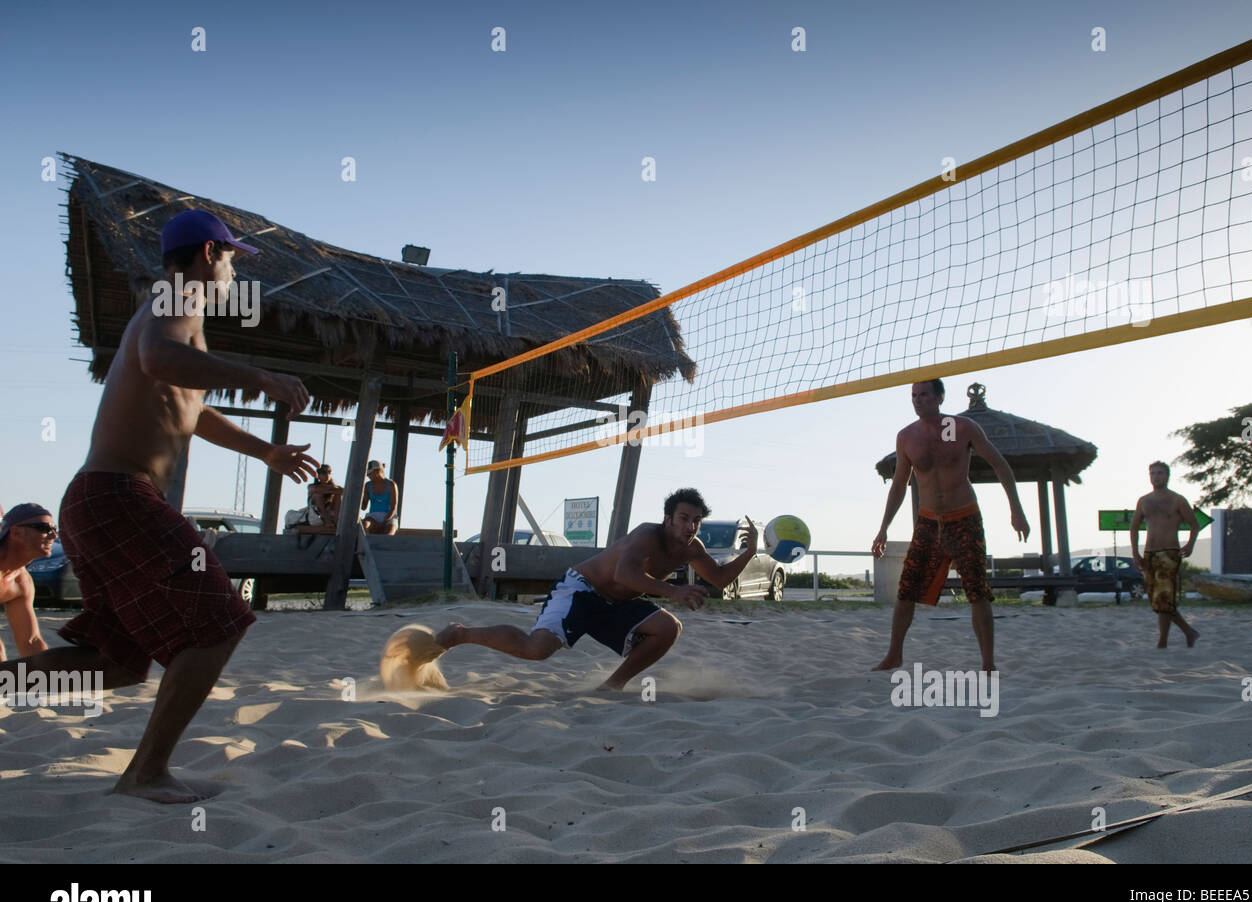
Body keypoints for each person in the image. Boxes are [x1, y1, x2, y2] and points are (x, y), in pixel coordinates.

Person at [0, 209, 315, 803]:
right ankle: (144, 773)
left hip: (95, 499)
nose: (232, 272)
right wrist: (261, 376)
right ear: (206, 254)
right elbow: (157, 359)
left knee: (117, 660)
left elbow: (190, 408)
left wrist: (265, 451)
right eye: (231, 259)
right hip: (119, 495)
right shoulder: (179, 295)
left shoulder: (176, 312)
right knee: (221, 621)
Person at [381, 488, 750, 692]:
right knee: (536, 650)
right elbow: (624, 572)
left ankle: (612, 686)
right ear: (668, 518)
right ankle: (459, 634)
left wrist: (748, 553)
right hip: (581, 590)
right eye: (684, 518)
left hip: (617, 602)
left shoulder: (692, 548)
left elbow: (718, 579)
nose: (690, 526)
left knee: (669, 627)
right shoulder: (645, 535)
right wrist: (673, 593)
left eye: (696, 520)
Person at [871, 379, 1031, 672]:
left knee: (977, 591)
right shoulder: (907, 436)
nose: (918, 400)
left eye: (924, 395)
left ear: (939, 397)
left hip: (964, 517)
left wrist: (1016, 510)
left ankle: (988, 663)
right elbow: (899, 485)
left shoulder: (961, 428)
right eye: (913, 396)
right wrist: (883, 528)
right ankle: (894, 654)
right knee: (906, 589)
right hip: (929, 522)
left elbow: (1000, 464)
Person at [1130, 461, 1201, 648]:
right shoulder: (1144, 501)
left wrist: (1191, 544)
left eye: (1160, 473)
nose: (1156, 476)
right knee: (1157, 601)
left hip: (1168, 553)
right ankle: (1189, 632)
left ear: (1167, 476)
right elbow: (1134, 527)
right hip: (1149, 554)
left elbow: (1194, 524)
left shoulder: (1177, 500)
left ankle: (1163, 642)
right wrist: (1135, 553)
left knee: (1163, 599)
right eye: (1152, 473)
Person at [0, 504, 55, 661]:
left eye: (54, 529)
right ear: (16, 532)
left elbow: (30, 642)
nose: (53, 536)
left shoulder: (21, 582)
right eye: (43, 528)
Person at [361, 460, 399, 535]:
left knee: (389, 533)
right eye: (367, 474)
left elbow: (393, 508)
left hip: (389, 516)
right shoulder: (367, 485)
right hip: (373, 517)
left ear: (378, 471)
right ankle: (367, 545)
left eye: (370, 473)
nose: (368, 476)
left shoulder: (391, 485)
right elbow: (363, 507)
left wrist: (383, 522)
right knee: (364, 525)